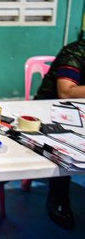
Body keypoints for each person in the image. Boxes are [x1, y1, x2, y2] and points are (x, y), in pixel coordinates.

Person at [35, 36, 85, 230]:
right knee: (64, 151)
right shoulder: (75, 53)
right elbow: (66, 91)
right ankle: (58, 197)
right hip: (50, 115)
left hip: (78, 113)